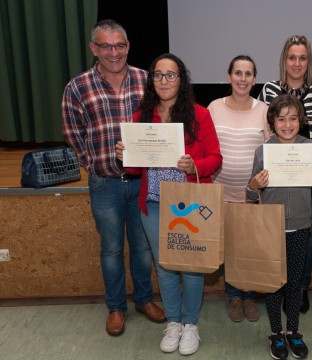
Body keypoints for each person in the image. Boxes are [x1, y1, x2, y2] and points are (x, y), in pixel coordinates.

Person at [62, 19, 165, 337]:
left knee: (143, 247)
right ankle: (116, 307)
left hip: (142, 182)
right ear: (94, 48)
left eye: (119, 45)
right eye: (105, 45)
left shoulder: (146, 80)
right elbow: (73, 134)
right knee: (110, 249)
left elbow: (160, 123)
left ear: (128, 46)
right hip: (104, 182)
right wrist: (92, 163)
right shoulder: (77, 87)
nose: (113, 52)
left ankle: (144, 300)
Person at [116, 53, 222, 355]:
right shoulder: (141, 116)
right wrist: (126, 156)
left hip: (186, 203)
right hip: (152, 203)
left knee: (190, 267)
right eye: (158, 75)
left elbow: (215, 158)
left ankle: (190, 325)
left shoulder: (199, 115)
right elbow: (135, 170)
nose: (164, 80)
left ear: (182, 79)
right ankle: (173, 321)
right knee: (164, 266)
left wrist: (193, 166)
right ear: (152, 80)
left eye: (171, 74)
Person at [247, 94, 312, 360]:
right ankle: (276, 333)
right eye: (281, 119)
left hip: (300, 227)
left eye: (293, 118)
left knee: (295, 285)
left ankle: (293, 332)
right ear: (272, 122)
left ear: (301, 120)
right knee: (274, 285)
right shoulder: (263, 151)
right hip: (271, 229)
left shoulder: (310, 147)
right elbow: (252, 194)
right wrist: (254, 186)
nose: (287, 124)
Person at [259, 34, 312, 316]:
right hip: (277, 179)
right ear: (284, 60)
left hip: (307, 177)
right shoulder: (269, 89)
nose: (297, 63)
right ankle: (276, 286)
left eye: (302, 58)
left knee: (304, 234)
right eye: (292, 57)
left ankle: (300, 287)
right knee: (275, 235)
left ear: (309, 61)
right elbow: (266, 130)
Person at [208, 55, 269, 323]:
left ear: (254, 79)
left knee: (250, 247)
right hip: (220, 191)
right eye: (238, 73)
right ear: (229, 76)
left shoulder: (265, 110)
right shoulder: (213, 108)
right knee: (230, 248)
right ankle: (234, 296)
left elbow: (271, 149)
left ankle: (249, 295)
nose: (242, 79)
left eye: (248, 74)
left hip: (254, 194)